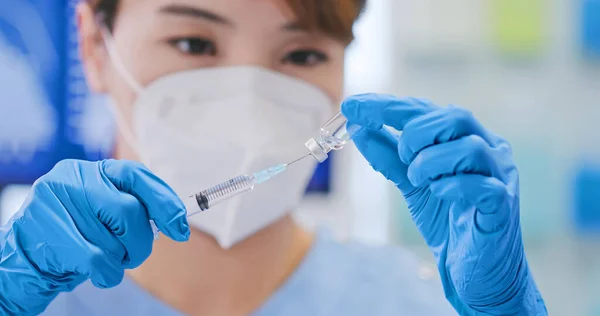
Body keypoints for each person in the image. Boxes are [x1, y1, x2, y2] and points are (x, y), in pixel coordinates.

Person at [0, 0, 548, 315]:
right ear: (96, 45)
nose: (248, 97)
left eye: (302, 53)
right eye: (194, 43)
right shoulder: (28, 291)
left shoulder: (405, 303)